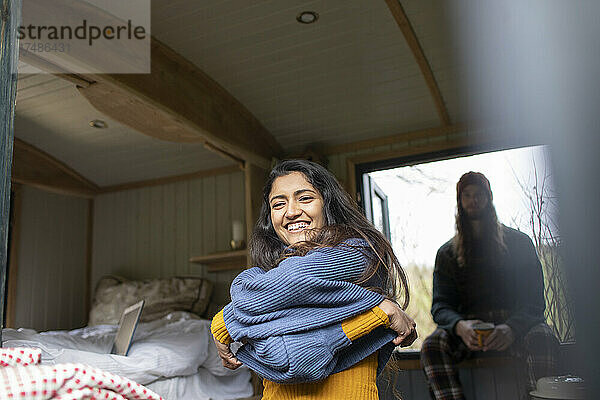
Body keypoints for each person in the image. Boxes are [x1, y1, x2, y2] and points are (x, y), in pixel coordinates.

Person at [210, 159, 417, 399]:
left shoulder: (359, 252)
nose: (291, 211)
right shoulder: (266, 273)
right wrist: (377, 309)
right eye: (278, 204)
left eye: (305, 198)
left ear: (327, 203)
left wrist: (227, 321)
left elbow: (290, 356)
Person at [420, 171, 560, 400]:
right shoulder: (446, 253)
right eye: (467, 195)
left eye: (479, 194)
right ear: (460, 201)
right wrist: (459, 326)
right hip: (468, 331)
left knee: (543, 337)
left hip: (514, 326)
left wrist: (511, 328)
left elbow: (535, 302)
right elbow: (440, 306)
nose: (473, 200)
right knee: (431, 346)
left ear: (489, 198)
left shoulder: (520, 243)